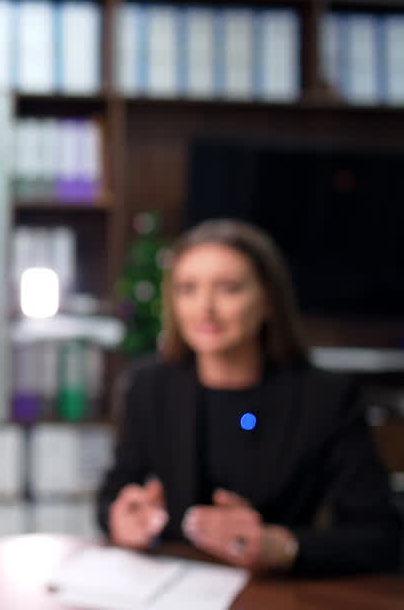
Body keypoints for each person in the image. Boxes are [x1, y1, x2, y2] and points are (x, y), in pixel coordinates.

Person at [97, 219, 402, 576]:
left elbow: (381, 537)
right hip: (171, 584)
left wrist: (284, 546)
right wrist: (122, 519)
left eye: (228, 288)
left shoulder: (327, 398)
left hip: (274, 591)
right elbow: (112, 495)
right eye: (188, 289)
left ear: (269, 300)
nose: (205, 308)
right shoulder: (149, 386)